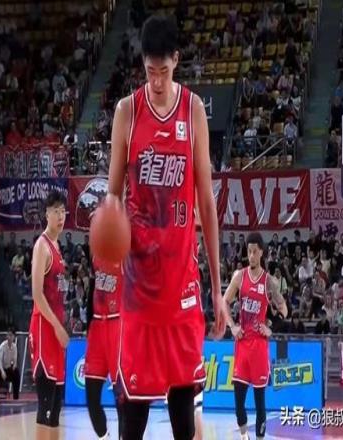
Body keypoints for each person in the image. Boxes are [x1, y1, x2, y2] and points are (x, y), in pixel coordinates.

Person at [106, 15, 226, 440]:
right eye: (149, 71)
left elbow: (207, 205)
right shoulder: (127, 111)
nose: (156, 81)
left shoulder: (193, 111)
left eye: (163, 70)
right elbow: (113, 198)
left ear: (176, 60)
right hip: (138, 287)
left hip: (182, 287)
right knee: (133, 416)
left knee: (183, 412)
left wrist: (218, 289)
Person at [223, 232, 288, 440]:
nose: (251, 255)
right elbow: (224, 302)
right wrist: (232, 326)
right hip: (242, 344)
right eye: (248, 252)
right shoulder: (239, 276)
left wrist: (271, 327)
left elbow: (284, 309)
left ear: (261, 253)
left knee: (260, 403)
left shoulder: (269, 282)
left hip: (259, 346)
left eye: (254, 252)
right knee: (238, 404)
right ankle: (244, 436)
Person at [29, 190, 69, 440]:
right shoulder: (41, 247)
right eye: (56, 212)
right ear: (46, 214)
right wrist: (56, 326)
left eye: (63, 211)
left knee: (56, 408)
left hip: (56, 331)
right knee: (45, 407)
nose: (60, 216)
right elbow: (36, 294)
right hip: (45, 329)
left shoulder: (58, 247)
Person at [84, 257, 123, 440]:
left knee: (122, 399)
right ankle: (104, 436)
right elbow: (92, 288)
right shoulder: (96, 256)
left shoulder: (126, 253)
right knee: (91, 397)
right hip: (97, 326)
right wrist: (88, 325)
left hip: (118, 324)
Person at [0, 327, 20, 401]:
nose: (9, 337)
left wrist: (14, 365)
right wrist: (2, 372)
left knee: (17, 373)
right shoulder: (2, 346)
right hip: (0, 368)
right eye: (8, 335)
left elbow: (15, 360)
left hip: (8, 368)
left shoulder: (14, 346)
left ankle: (16, 398)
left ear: (14, 337)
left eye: (11, 335)